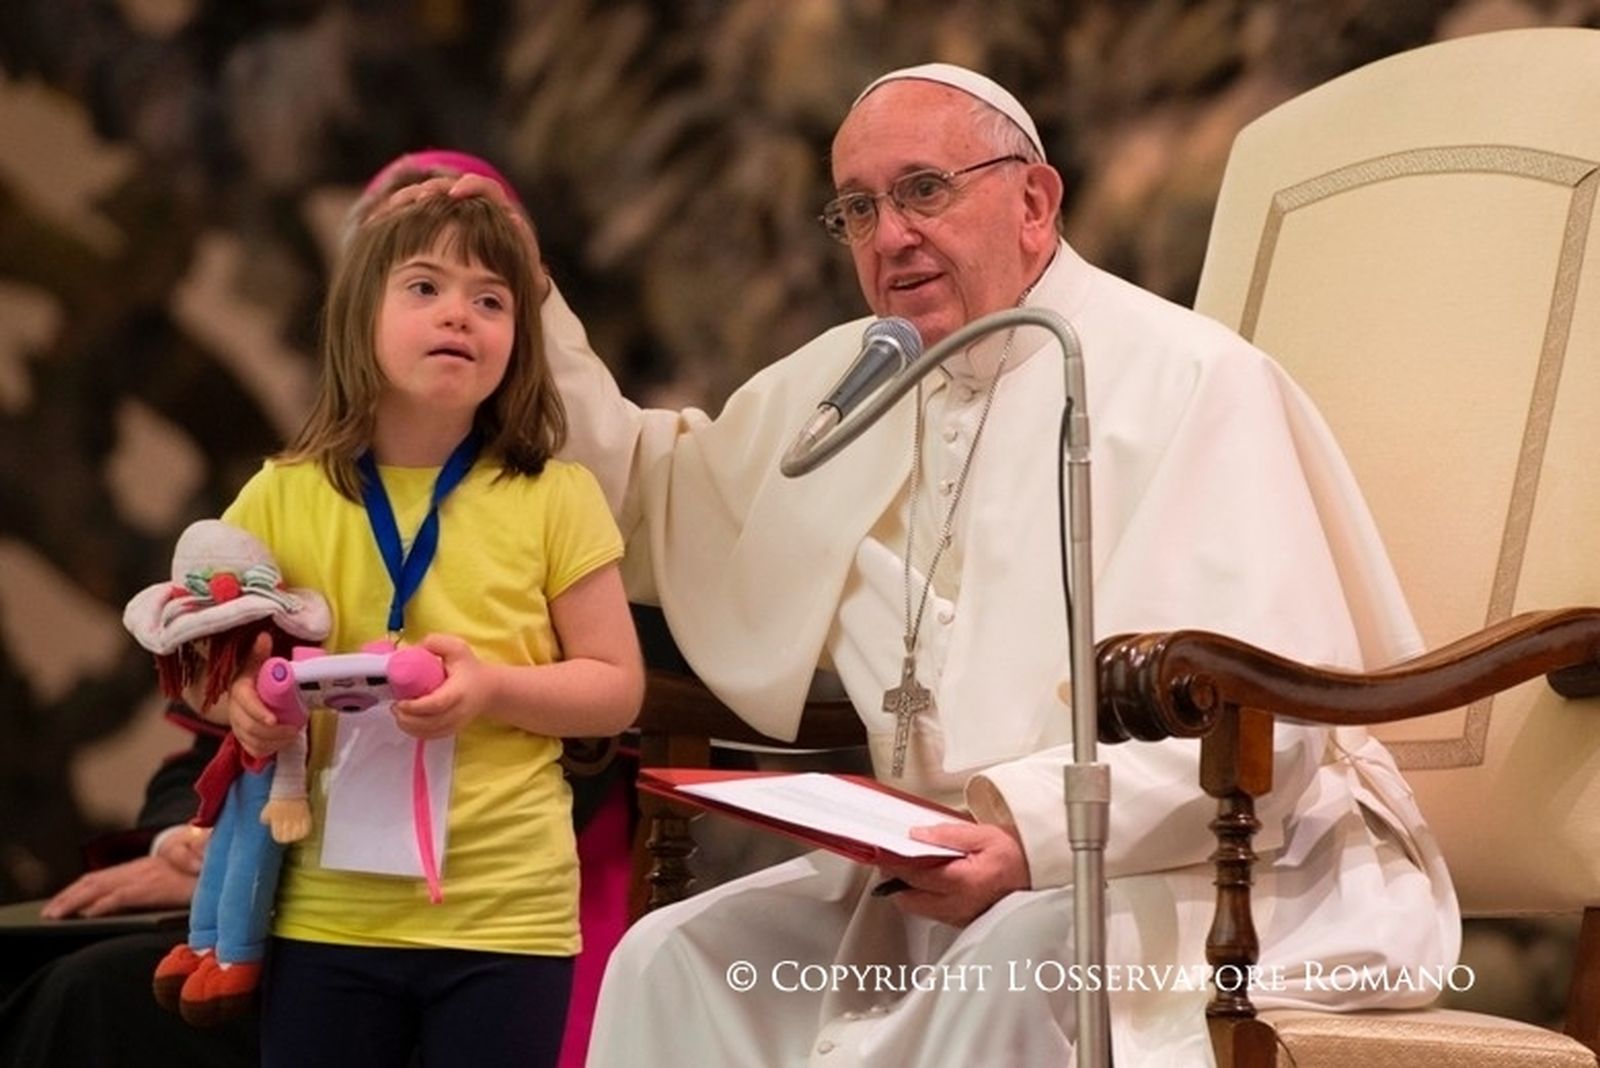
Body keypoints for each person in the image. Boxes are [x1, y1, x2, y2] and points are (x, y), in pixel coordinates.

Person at [425, 63, 1458, 1064]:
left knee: (1008, 965)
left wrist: (1027, 839)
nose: (891, 235)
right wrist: (528, 300)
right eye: (858, 210)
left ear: (1034, 201)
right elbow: (652, 497)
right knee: (669, 960)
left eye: (922, 190)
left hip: (1227, 874)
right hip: (944, 872)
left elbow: (1269, 727)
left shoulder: (1191, 380)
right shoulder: (854, 376)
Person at [223, 191, 643, 1068]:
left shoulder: (555, 496)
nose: (460, 313)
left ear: (518, 340)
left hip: (508, 920)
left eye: (492, 300)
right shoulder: (280, 493)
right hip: (325, 917)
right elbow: (219, 661)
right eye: (424, 287)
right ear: (355, 318)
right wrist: (240, 705)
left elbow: (615, 688)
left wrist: (490, 687)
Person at [0, 708, 260, 1067]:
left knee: (89, 989)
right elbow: (195, 767)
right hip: (213, 908)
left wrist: (242, 864)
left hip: (321, 935)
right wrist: (189, 844)